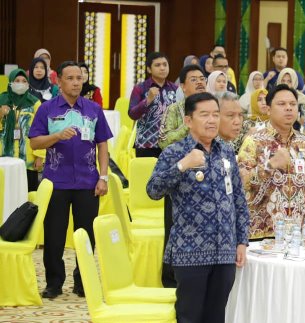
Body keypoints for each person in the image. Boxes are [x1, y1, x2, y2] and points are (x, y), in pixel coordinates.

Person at [147, 92, 249, 323]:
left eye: (216, 114)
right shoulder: (175, 152)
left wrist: (241, 241)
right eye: (204, 115)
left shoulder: (226, 150)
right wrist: (182, 166)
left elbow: (238, 197)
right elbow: (153, 190)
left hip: (225, 252)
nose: (212, 120)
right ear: (189, 120)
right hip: (189, 252)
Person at [29, 61, 112, 299]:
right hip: (56, 181)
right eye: (71, 78)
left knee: (86, 236)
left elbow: (103, 145)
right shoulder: (47, 109)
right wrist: (56, 136)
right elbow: (35, 142)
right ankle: (54, 283)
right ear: (59, 81)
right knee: (54, 236)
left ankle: (83, 281)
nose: (76, 82)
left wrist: (103, 176)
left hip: (88, 182)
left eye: (79, 78)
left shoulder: (93, 109)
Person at [237, 84, 305, 239]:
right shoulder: (254, 142)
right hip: (262, 232)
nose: (288, 108)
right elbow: (241, 183)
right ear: (268, 109)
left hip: (298, 233)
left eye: (292, 104)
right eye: (281, 104)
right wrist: (269, 166)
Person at [157, 64, 208, 288]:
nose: (199, 82)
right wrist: (191, 125)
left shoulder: (212, 111)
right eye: (194, 79)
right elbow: (164, 140)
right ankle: (170, 279)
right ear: (183, 86)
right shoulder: (174, 110)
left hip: (207, 178)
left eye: (202, 79)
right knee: (174, 227)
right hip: (179, 177)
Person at [128, 52, 177, 158]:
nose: (162, 68)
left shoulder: (175, 89)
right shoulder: (140, 88)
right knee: (146, 174)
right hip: (146, 144)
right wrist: (147, 101)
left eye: (165, 64)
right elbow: (132, 114)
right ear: (149, 69)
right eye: (157, 65)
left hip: (170, 144)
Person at [0, 68, 42, 191]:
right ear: (10, 82)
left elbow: (41, 130)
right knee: (5, 193)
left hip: (28, 158)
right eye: (17, 80)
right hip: (4, 156)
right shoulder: (2, 100)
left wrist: (40, 156)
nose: (20, 83)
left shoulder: (34, 103)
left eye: (24, 81)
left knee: (27, 194)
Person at [235, 88, 269, 153]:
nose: (264, 102)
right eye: (259, 100)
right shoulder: (246, 124)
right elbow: (234, 149)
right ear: (253, 103)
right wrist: (246, 136)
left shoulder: (275, 123)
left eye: (266, 99)